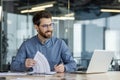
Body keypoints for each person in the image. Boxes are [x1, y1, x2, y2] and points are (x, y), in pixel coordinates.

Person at [10, 10, 76, 73]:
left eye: (51, 25)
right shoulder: (27, 45)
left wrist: (64, 68)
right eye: (45, 26)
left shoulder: (60, 43)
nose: (49, 29)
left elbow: (73, 64)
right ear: (36, 27)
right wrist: (24, 65)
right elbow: (13, 66)